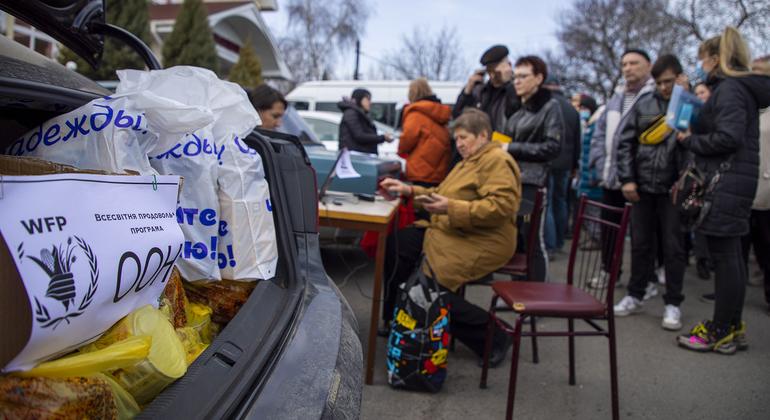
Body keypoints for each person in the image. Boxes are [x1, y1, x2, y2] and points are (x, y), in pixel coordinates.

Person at [381, 109, 521, 367]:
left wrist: (450, 208)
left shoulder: (496, 161)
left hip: (484, 239)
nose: (459, 144)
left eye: (464, 138)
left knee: (428, 289)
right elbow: (441, 193)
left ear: (483, 136)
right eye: (456, 139)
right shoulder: (469, 161)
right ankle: (399, 317)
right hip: (455, 229)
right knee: (398, 244)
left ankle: (494, 336)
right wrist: (409, 190)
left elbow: (502, 207)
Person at [676, 27, 770, 354]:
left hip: (724, 182)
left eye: (703, 58)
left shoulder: (730, 89)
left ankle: (718, 329)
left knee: (726, 257)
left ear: (715, 59)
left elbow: (728, 138)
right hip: (735, 180)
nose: (700, 64)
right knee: (732, 257)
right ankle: (731, 327)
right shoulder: (738, 89)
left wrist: (691, 141)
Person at [614, 54, 688, 330]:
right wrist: (627, 179)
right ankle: (636, 294)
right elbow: (625, 143)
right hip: (643, 186)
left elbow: (696, 141)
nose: (665, 87)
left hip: (674, 188)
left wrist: (686, 98)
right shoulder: (644, 103)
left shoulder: (688, 105)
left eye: (670, 81)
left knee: (673, 248)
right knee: (641, 244)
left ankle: (673, 303)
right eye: (660, 82)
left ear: (680, 78)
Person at [588, 49, 655, 288]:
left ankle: (644, 282)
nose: (628, 68)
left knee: (642, 236)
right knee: (609, 231)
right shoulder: (615, 98)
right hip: (611, 177)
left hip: (640, 180)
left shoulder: (654, 96)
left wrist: (634, 175)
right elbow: (599, 134)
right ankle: (609, 272)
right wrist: (598, 163)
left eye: (634, 63)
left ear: (648, 65)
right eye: (624, 63)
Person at [502, 55, 564, 282]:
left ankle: (536, 291)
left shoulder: (550, 107)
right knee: (515, 237)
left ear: (538, 78)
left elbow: (553, 147)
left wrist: (511, 147)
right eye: (515, 77)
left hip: (533, 182)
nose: (517, 81)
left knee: (532, 239)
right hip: (512, 180)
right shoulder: (518, 108)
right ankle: (518, 291)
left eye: (523, 76)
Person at [542, 75, 581, 254]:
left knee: (547, 202)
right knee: (561, 201)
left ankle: (549, 244)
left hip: (548, 160)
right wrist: (574, 165)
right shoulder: (571, 108)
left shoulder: (546, 105)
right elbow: (577, 139)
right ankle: (559, 241)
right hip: (565, 163)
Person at [453, 45, 520, 133]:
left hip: (502, 142)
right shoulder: (480, 92)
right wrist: (467, 91)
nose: (492, 75)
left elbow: (516, 115)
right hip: (481, 142)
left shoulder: (517, 88)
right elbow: (458, 115)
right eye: (490, 70)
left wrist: (509, 82)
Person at [398, 78, 452, 187]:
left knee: (419, 201)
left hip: (420, 170)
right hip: (441, 170)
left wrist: (401, 149)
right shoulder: (440, 112)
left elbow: (408, 138)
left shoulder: (415, 113)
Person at [691, 82, 714, 282]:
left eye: (703, 92)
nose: (699, 96)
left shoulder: (718, 115)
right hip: (697, 174)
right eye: (696, 93)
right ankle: (702, 260)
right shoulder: (694, 116)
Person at [575, 94, 603, 247]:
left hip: (592, 178)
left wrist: (594, 175)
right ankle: (594, 237)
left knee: (593, 212)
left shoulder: (595, 126)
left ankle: (597, 238)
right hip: (586, 177)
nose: (581, 111)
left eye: (584, 108)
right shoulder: (587, 125)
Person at [337, 88, 393, 154]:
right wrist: (382, 137)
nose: (370, 102)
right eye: (368, 99)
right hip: (356, 156)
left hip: (360, 155)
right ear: (359, 99)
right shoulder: (351, 113)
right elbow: (359, 136)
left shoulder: (358, 113)